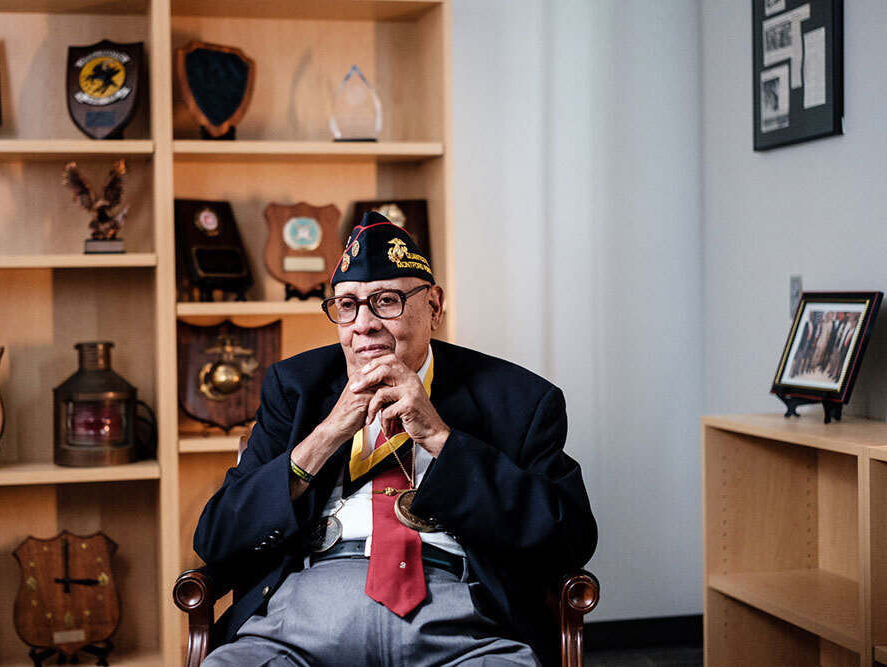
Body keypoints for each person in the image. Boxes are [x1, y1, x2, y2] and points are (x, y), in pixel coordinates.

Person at [194, 211, 597, 666]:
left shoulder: (520, 399)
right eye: (347, 305)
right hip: (304, 617)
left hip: (462, 621)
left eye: (386, 301)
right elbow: (216, 537)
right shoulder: (295, 387)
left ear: (435, 307)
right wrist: (326, 434)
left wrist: (442, 439)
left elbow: (569, 538)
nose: (363, 324)